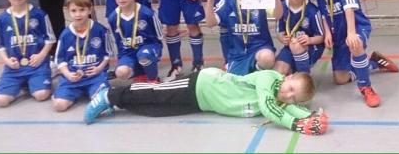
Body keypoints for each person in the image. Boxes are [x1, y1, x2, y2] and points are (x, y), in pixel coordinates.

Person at [84, 66, 329, 136]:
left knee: (156, 109)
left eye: (293, 96)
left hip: (201, 102)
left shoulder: (283, 100)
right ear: (288, 77)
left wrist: (311, 116)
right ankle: (109, 94)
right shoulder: (270, 79)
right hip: (203, 83)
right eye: (290, 88)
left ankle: (116, 102)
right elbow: (268, 108)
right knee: (156, 93)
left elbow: (292, 107)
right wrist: (296, 125)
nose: (287, 95)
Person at [311, 0, 399, 108]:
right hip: (337, 32)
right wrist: (327, 32)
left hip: (356, 25)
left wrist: (351, 33)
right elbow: (323, 10)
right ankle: (373, 63)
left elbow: (348, 6)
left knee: (355, 44)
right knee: (340, 79)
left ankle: (366, 88)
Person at [205, 0, 282, 75]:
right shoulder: (228, 1)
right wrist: (210, 0)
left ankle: (257, 73)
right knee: (234, 82)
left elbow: (278, 15)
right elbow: (210, 23)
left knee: (267, 58)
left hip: (260, 48)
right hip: (237, 54)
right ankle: (242, 71)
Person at [0, 0, 56, 107]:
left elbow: (50, 39)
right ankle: (21, 83)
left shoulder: (40, 14)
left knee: (41, 95)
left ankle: (41, 78)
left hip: (37, 65)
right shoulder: (1, 19)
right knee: (0, 101)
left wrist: (41, 56)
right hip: (14, 68)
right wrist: (7, 61)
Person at [52, 0, 116, 112]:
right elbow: (59, 60)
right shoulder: (65, 34)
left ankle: (95, 92)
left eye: (82, 10)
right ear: (68, 11)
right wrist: (68, 74)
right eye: (74, 11)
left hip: (95, 77)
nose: (78, 14)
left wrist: (99, 68)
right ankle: (71, 93)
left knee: (104, 106)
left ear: (90, 9)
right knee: (59, 106)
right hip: (72, 80)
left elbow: (108, 54)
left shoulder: (100, 30)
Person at [107, 0, 163, 83]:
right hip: (128, 52)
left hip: (148, 48)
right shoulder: (113, 18)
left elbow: (159, 37)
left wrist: (154, 53)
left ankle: (153, 79)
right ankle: (138, 74)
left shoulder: (147, 14)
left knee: (144, 56)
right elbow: (119, 43)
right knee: (120, 72)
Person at [274, 0, 325, 75]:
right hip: (290, 46)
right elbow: (279, 32)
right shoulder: (281, 7)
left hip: (311, 47)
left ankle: (304, 76)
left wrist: (309, 40)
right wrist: (283, 39)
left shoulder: (313, 11)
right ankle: (293, 71)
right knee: (279, 72)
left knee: (297, 45)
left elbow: (321, 37)